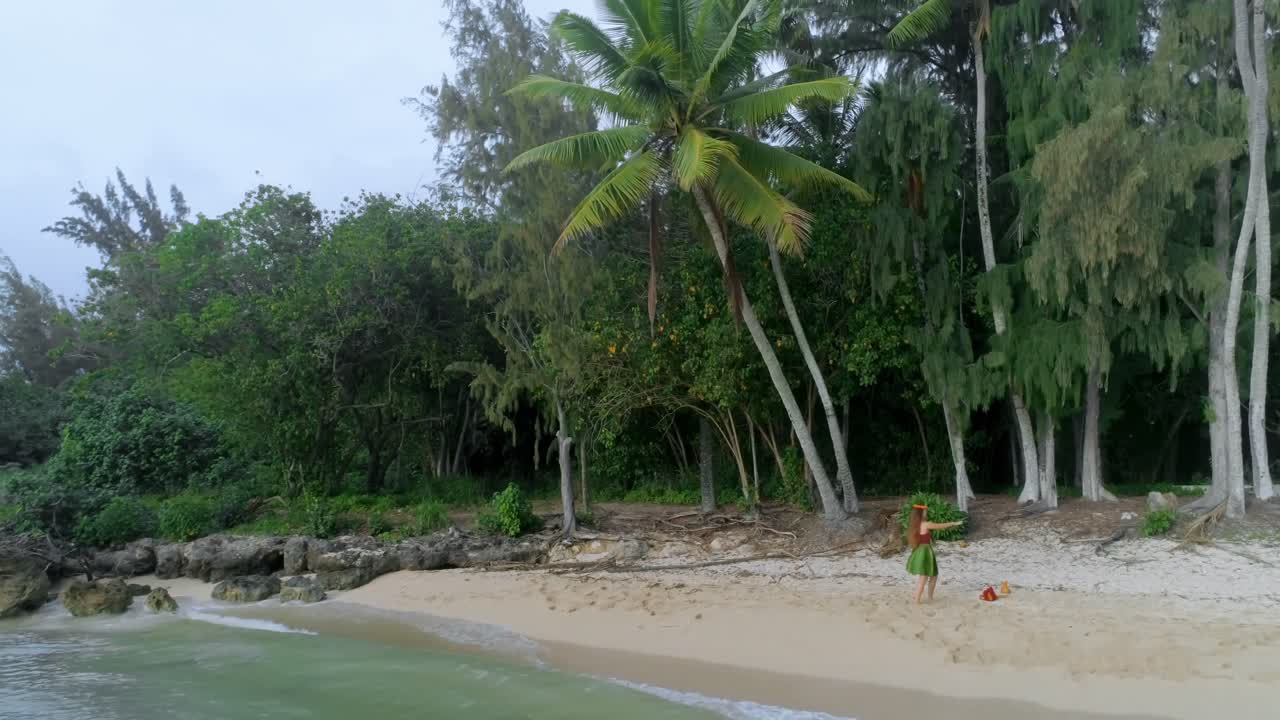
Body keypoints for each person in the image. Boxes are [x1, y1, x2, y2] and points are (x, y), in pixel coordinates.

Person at [906, 503, 963, 604]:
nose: (926, 513)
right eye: (925, 511)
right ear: (921, 513)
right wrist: (953, 523)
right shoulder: (926, 524)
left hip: (921, 551)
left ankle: (928, 598)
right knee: (924, 577)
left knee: (933, 576)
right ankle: (917, 600)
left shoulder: (916, 525)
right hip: (925, 552)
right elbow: (940, 526)